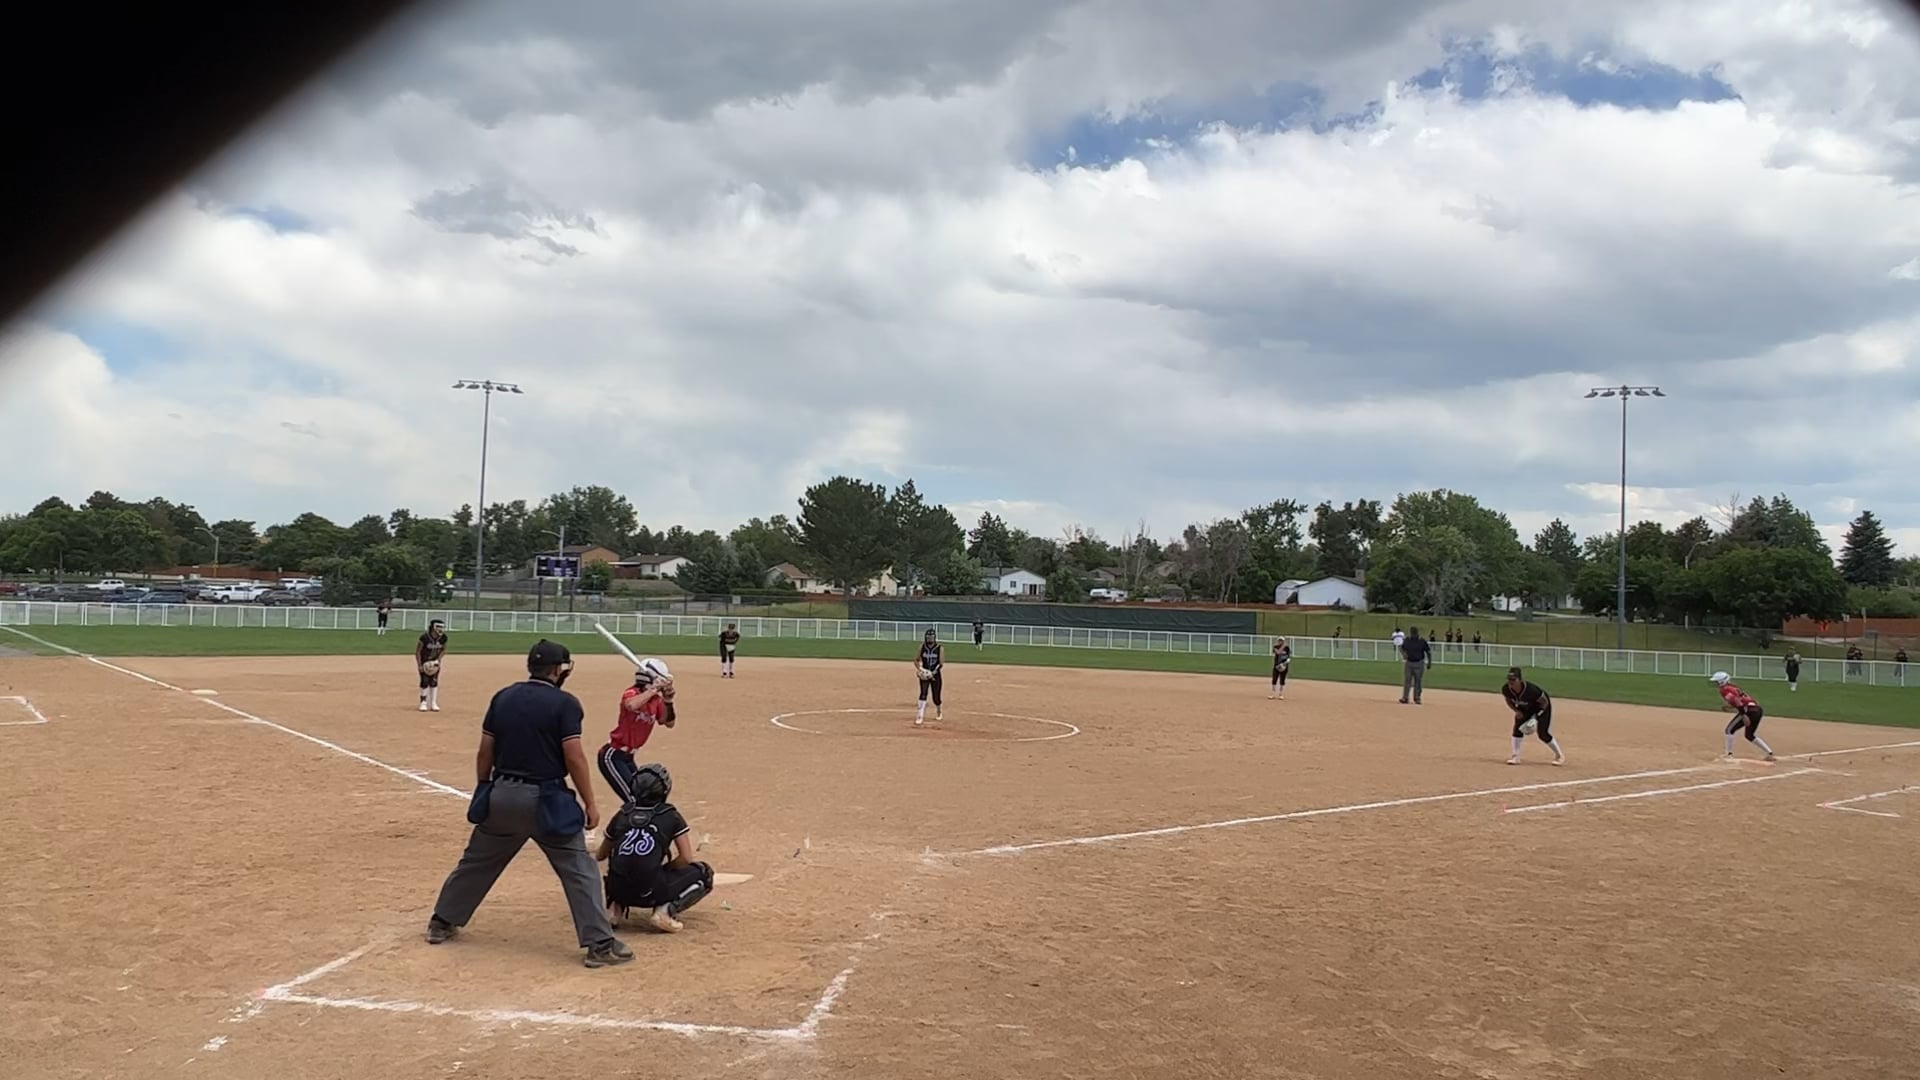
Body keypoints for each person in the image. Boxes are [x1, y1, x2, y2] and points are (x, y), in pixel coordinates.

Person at [425, 639, 632, 968]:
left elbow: (485, 751)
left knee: (477, 862)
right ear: (557, 670)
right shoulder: (565, 704)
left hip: (502, 796)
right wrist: (590, 803)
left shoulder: (503, 697)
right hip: (546, 801)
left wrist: (485, 788)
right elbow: (574, 757)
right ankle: (600, 944)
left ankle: (442, 921)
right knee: (579, 869)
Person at [594, 762, 713, 934]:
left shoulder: (623, 814)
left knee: (618, 869)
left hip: (618, 889)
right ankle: (665, 911)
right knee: (704, 873)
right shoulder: (670, 815)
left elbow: (601, 855)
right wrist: (665, 869)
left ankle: (613, 909)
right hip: (650, 890)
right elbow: (686, 858)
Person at [597, 658, 674, 803]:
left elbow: (668, 722)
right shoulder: (632, 692)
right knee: (634, 801)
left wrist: (668, 701)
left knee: (643, 796)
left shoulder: (656, 700)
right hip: (613, 755)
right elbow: (631, 705)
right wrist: (654, 689)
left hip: (628, 758)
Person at [1501, 667, 1565, 766]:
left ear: (1520, 680)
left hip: (1542, 707)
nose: (1511, 682)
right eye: (1509, 679)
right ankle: (1515, 756)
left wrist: (1536, 717)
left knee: (1543, 734)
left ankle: (1559, 755)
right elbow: (1508, 700)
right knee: (1517, 729)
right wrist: (1517, 711)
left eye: (1513, 680)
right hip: (1525, 708)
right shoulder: (1506, 689)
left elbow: (1544, 702)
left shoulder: (1531, 690)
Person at [1711, 671, 1776, 761]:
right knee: (1749, 735)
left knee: (1729, 730)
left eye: (1716, 681)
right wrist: (1729, 707)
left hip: (1748, 711)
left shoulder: (1725, 690)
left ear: (1722, 681)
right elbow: (1741, 701)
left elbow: (1738, 702)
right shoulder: (1733, 687)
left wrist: (1744, 715)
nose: (1715, 683)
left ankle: (1728, 755)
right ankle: (1769, 753)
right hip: (1757, 709)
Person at [416, 619, 448, 712]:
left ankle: (433, 703)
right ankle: (423, 702)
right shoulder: (424, 637)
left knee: (434, 681)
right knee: (424, 681)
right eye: (438, 627)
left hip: (434, 663)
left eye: (442, 627)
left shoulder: (443, 638)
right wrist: (419, 665)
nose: (440, 629)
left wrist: (438, 660)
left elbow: (443, 649)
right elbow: (418, 651)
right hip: (425, 662)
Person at [914, 628, 944, 726]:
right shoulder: (922, 647)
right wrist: (921, 669)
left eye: (932, 637)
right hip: (925, 675)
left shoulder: (939, 648)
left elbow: (941, 663)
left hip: (935, 675)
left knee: (936, 697)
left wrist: (932, 673)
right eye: (928, 637)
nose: (930, 639)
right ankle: (920, 716)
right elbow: (916, 660)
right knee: (923, 693)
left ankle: (939, 710)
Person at [1398, 627, 1431, 705]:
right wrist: (1404, 654)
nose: (1413, 634)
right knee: (1407, 681)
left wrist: (1429, 662)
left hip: (1419, 663)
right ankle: (1405, 697)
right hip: (1409, 662)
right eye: (1412, 633)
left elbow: (1428, 651)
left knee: (1418, 681)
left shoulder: (1421, 641)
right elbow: (1401, 648)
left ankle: (1417, 698)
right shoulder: (1407, 640)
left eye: (1414, 633)